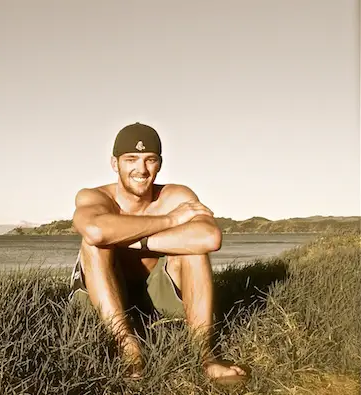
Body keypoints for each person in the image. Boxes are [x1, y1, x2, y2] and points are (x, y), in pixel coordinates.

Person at [69, 122, 248, 382]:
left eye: (149, 160)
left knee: (194, 250)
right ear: (114, 163)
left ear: (159, 164)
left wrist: (135, 240)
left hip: (156, 296)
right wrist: (170, 221)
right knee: (95, 245)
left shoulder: (175, 195)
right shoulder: (96, 197)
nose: (141, 169)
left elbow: (210, 237)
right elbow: (96, 230)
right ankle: (128, 347)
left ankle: (205, 357)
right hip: (99, 298)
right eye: (131, 159)